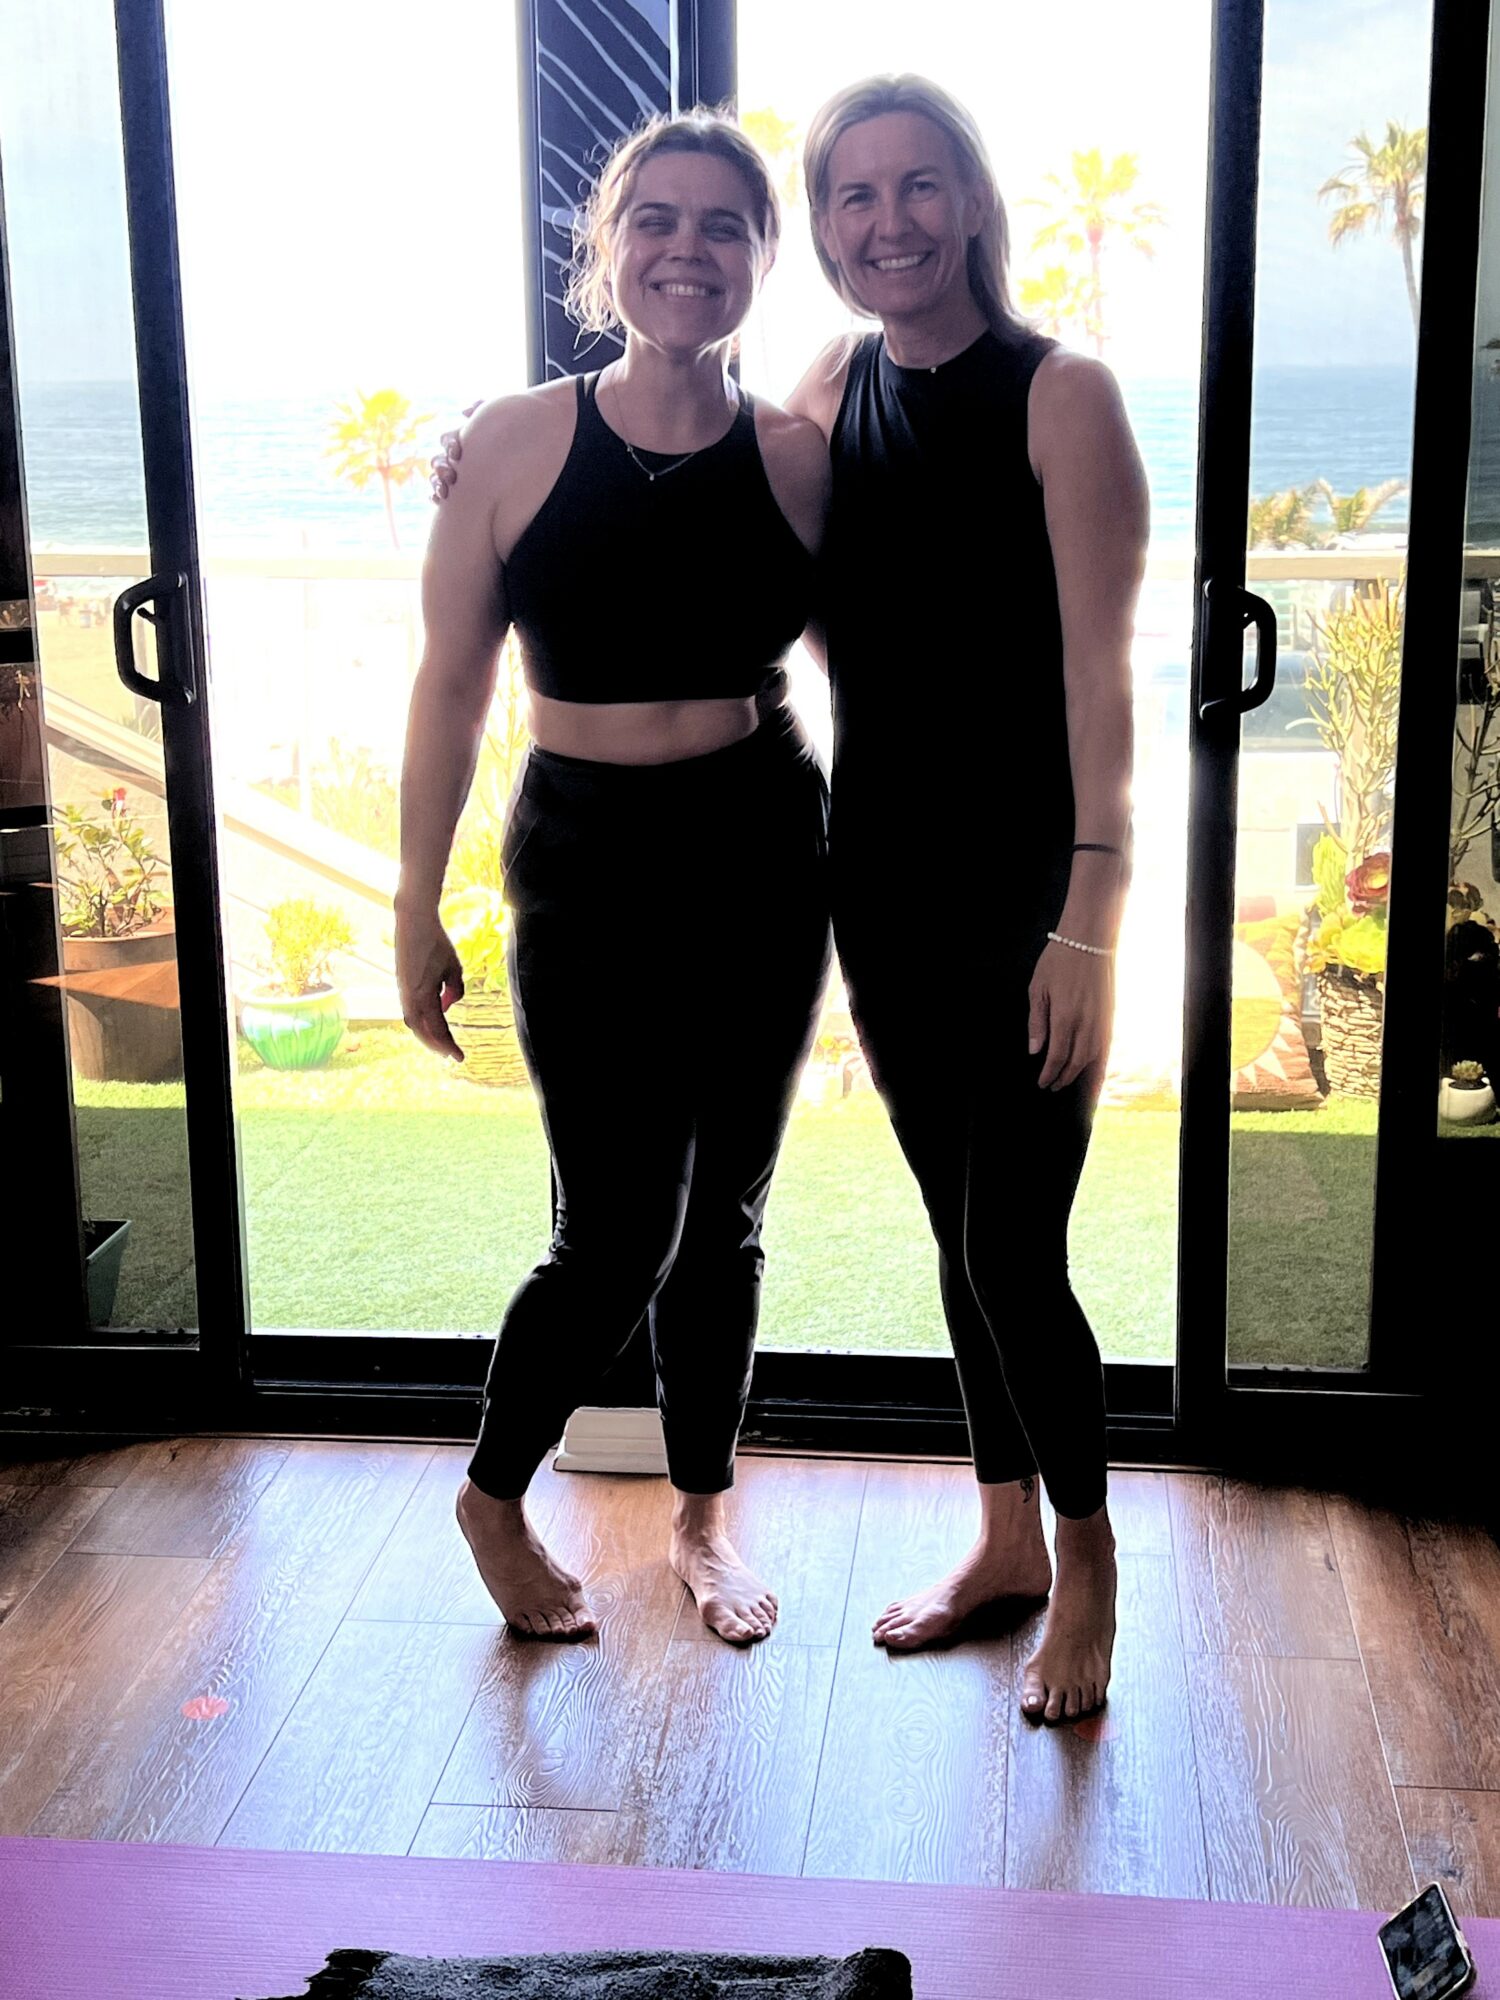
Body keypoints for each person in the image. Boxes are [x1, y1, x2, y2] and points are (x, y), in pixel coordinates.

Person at [432, 76, 1148, 1723]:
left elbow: (1104, 677)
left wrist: (1092, 912)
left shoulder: (1066, 395)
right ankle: (1005, 1542)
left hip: (1031, 886)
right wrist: (486, 460)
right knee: (963, 1242)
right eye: (852, 197)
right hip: (873, 877)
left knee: (1017, 1248)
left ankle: (1091, 1567)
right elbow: (714, 539)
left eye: (917, 188)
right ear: (820, 233)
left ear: (969, 202)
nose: (886, 222)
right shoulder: (831, 389)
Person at [397, 112, 833, 1647]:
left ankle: (706, 1521)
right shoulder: (512, 440)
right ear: (609, 247)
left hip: (763, 850)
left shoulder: (799, 457)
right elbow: (450, 688)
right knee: (615, 1229)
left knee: (727, 1219)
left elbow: (898, 660)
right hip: (580, 858)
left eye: (724, 225)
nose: (688, 249)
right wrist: (413, 903)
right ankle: (493, 1495)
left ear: (765, 259)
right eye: (656, 220)